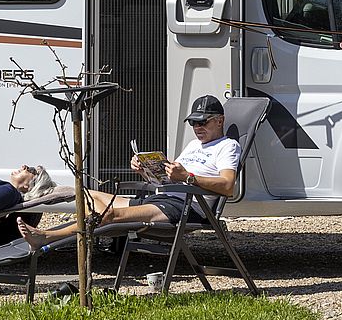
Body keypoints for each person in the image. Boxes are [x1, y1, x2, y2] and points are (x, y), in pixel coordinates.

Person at [19, 94, 239, 249]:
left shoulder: (228, 146)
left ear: (219, 121)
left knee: (110, 215)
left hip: (186, 207)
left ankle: (47, 237)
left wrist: (187, 177)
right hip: (161, 197)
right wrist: (146, 171)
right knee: (88, 194)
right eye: (193, 123)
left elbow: (228, 186)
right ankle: (78, 217)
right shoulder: (194, 145)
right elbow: (167, 180)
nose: (197, 127)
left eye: (203, 122)